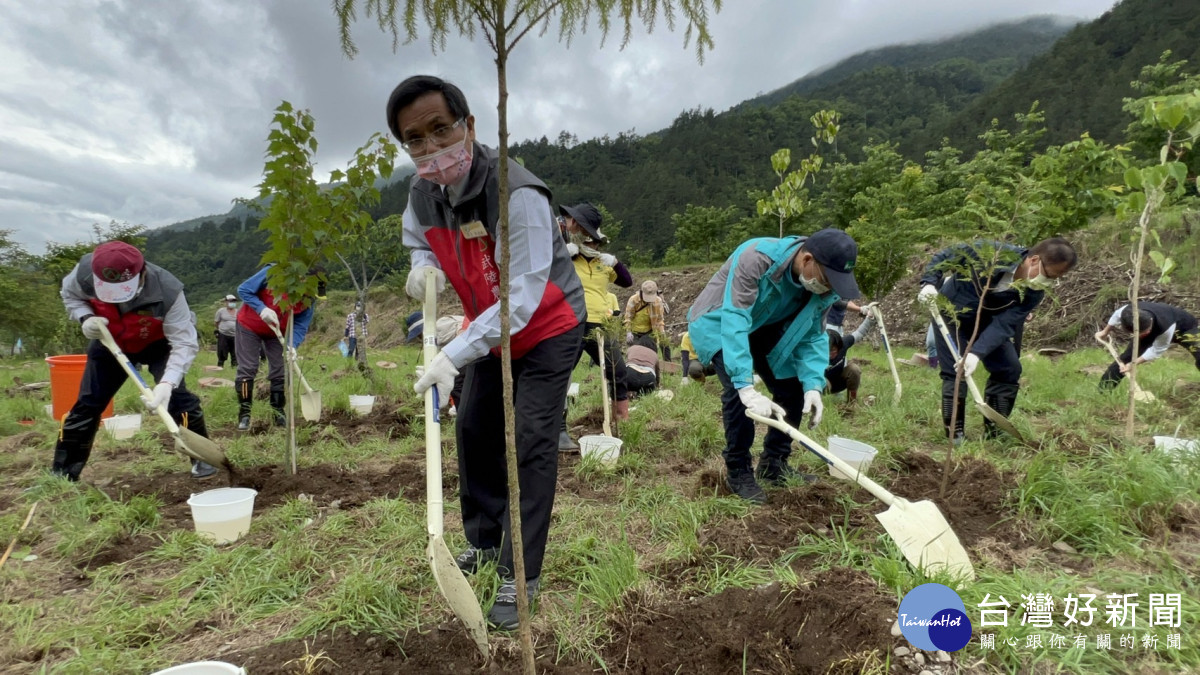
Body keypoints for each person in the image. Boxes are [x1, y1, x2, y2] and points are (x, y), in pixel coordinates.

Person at [388, 75, 586, 630]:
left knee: (529, 440)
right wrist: (421, 269)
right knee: (473, 429)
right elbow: (415, 239)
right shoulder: (422, 194)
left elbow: (520, 302)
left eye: (441, 130)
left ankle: (520, 571)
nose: (431, 148)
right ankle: (483, 539)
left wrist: (453, 354)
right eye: (415, 138)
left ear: (470, 126)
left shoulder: (515, 193)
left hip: (547, 327)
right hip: (487, 328)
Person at [688, 228, 861, 503]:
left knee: (792, 390)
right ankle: (738, 471)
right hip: (719, 321)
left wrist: (814, 384)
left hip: (766, 327)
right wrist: (745, 385)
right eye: (827, 279)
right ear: (806, 260)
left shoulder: (822, 290)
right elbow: (736, 317)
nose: (829, 287)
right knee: (738, 393)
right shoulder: (756, 258)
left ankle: (774, 464)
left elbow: (813, 336)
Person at [52, 241, 217, 480]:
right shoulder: (83, 273)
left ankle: (202, 460)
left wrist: (167, 384)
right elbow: (70, 297)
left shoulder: (168, 290)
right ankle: (63, 473)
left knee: (180, 400)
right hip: (109, 341)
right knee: (88, 403)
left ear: (143, 274)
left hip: (159, 344)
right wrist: (85, 317)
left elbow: (184, 342)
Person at [918, 237, 1077, 441]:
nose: (1047, 282)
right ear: (1034, 260)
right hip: (952, 315)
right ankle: (955, 435)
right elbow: (946, 256)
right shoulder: (992, 253)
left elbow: (1005, 324)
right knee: (955, 372)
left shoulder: (1034, 292)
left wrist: (976, 353)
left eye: (1054, 279)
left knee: (1009, 368)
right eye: (1048, 275)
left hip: (988, 323)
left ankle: (995, 430)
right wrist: (929, 283)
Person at [560, 201, 634, 427]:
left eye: (596, 242)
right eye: (589, 240)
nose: (593, 245)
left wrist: (615, 262)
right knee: (562, 372)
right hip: (573, 321)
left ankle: (620, 418)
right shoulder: (569, 259)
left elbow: (627, 281)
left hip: (600, 323)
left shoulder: (604, 263)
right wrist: (563, 255)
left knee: (617, 369)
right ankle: (557, 423)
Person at [233, 264, 323, 431]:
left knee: (280, 370)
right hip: (250, 325)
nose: (310, 296)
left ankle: (278, 412)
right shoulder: (274, 273)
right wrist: (262, 308)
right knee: (248, 368)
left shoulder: (310, 299)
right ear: (302, 280)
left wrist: (292, 345)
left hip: (278, 331)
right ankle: (244, 414)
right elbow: (244, 289)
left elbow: (301, 325)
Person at [1096, 302, 1200, 390]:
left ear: (1150, 321)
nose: (1144, 334)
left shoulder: (1164, 325)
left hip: (1185, 328)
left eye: (1146, 331)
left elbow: (1157, 350)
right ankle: (1104, 390)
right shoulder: (1128, 312)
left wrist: (1135, 363)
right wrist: (1105, 332)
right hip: (1156, 328)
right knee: (1125, 359)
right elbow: (1116, 315)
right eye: (1140, 333)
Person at [825, 309, 876, 403]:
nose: (829, 354)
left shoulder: (843, 343)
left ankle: (851, 402)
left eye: (833, 350)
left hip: (839, 382)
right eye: (827, 351)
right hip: (821, 384)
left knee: (854, 369)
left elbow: (859, 333)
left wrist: (870, 319)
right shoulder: (815, 349)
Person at [625, 280, 671, 360]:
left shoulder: (658, 301)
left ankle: (667, 366)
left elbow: (659, 319)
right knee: (636, 354)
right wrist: (628, 332)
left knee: (654, 350)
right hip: (635, 332)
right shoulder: (634, 300)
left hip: (649, 331)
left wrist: (662, 333)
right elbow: (628, 317)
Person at [214, 294, 239, 369]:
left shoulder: (238, 311)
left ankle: (234, 367)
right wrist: (220, 330)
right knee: (222, 351)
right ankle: (220, 366)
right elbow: (216, 322)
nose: (232, 303)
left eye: (234, 301)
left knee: (235, 351)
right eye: (230, 301)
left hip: (235, 335)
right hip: (223, 334)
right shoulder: (221, 311)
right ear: (226, 302)